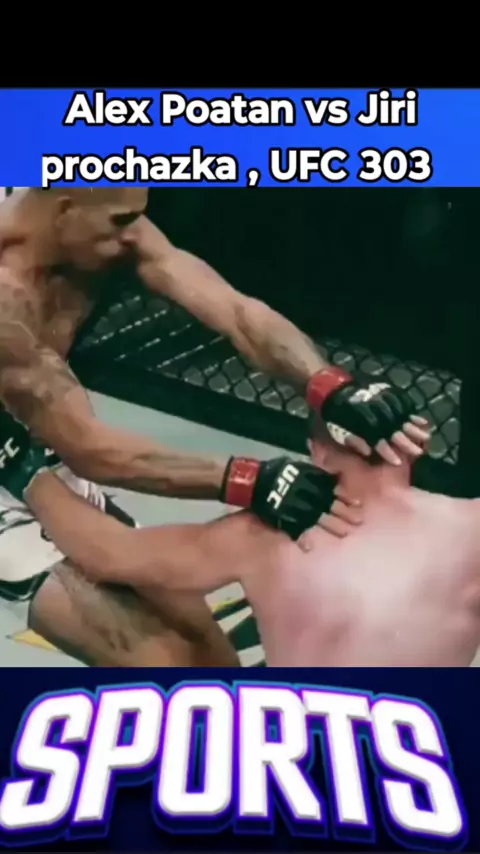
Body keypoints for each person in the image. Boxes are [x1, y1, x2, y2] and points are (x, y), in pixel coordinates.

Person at [0, 187, 427, 665]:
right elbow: (91, 449)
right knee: (161, 662)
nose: (132, 233)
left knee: (211, 653)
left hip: (43, 442)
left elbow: (234, 311)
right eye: (119, 220)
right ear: (65, 208)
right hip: (14, 472)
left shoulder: (105, 226)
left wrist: (328, 385)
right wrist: (254, 480)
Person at [6, 415, 480, 668]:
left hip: (303, 751)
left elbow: (109, 555)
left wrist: (22, 467)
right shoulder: (469, 527)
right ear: (418, 442)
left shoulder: (263, 538)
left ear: (315, 450)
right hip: (422, 752)